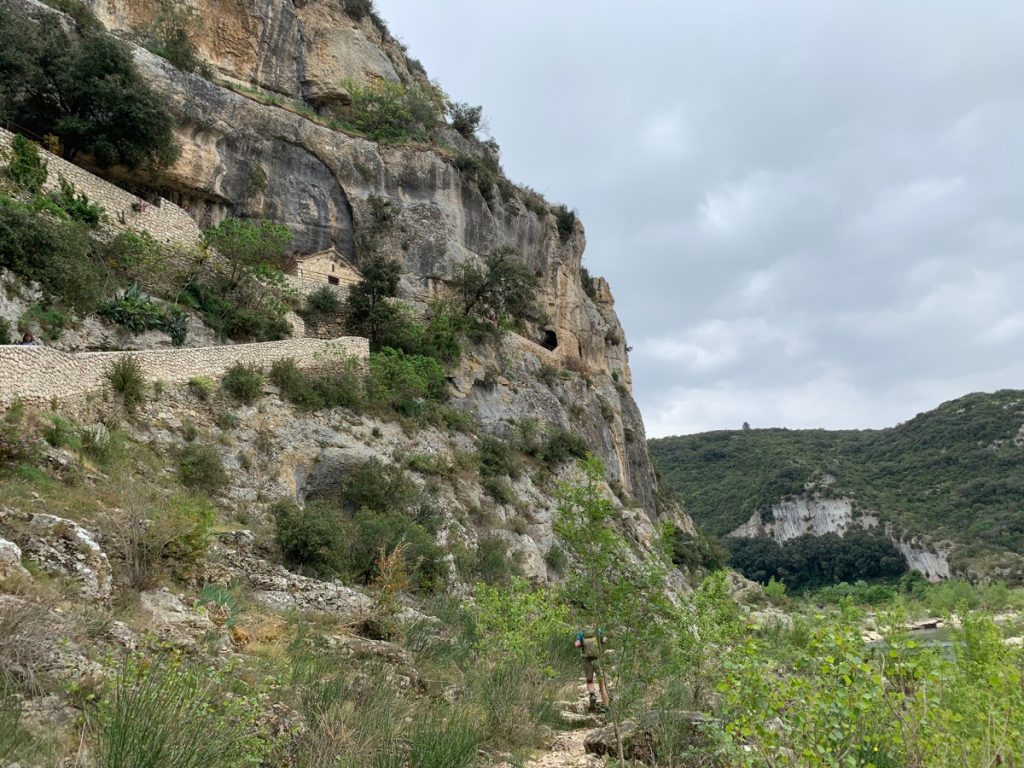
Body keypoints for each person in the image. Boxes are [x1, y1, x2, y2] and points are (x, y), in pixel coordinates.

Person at [575, 626, 609, 711]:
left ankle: (592, 694)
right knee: (601, 682)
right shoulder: (599, 630)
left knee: (589, 680)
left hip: (586, 659)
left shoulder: (581, 632)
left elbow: (577, 644)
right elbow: (604, 640)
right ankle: (606, 705)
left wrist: (581, 644)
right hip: (597, 658)